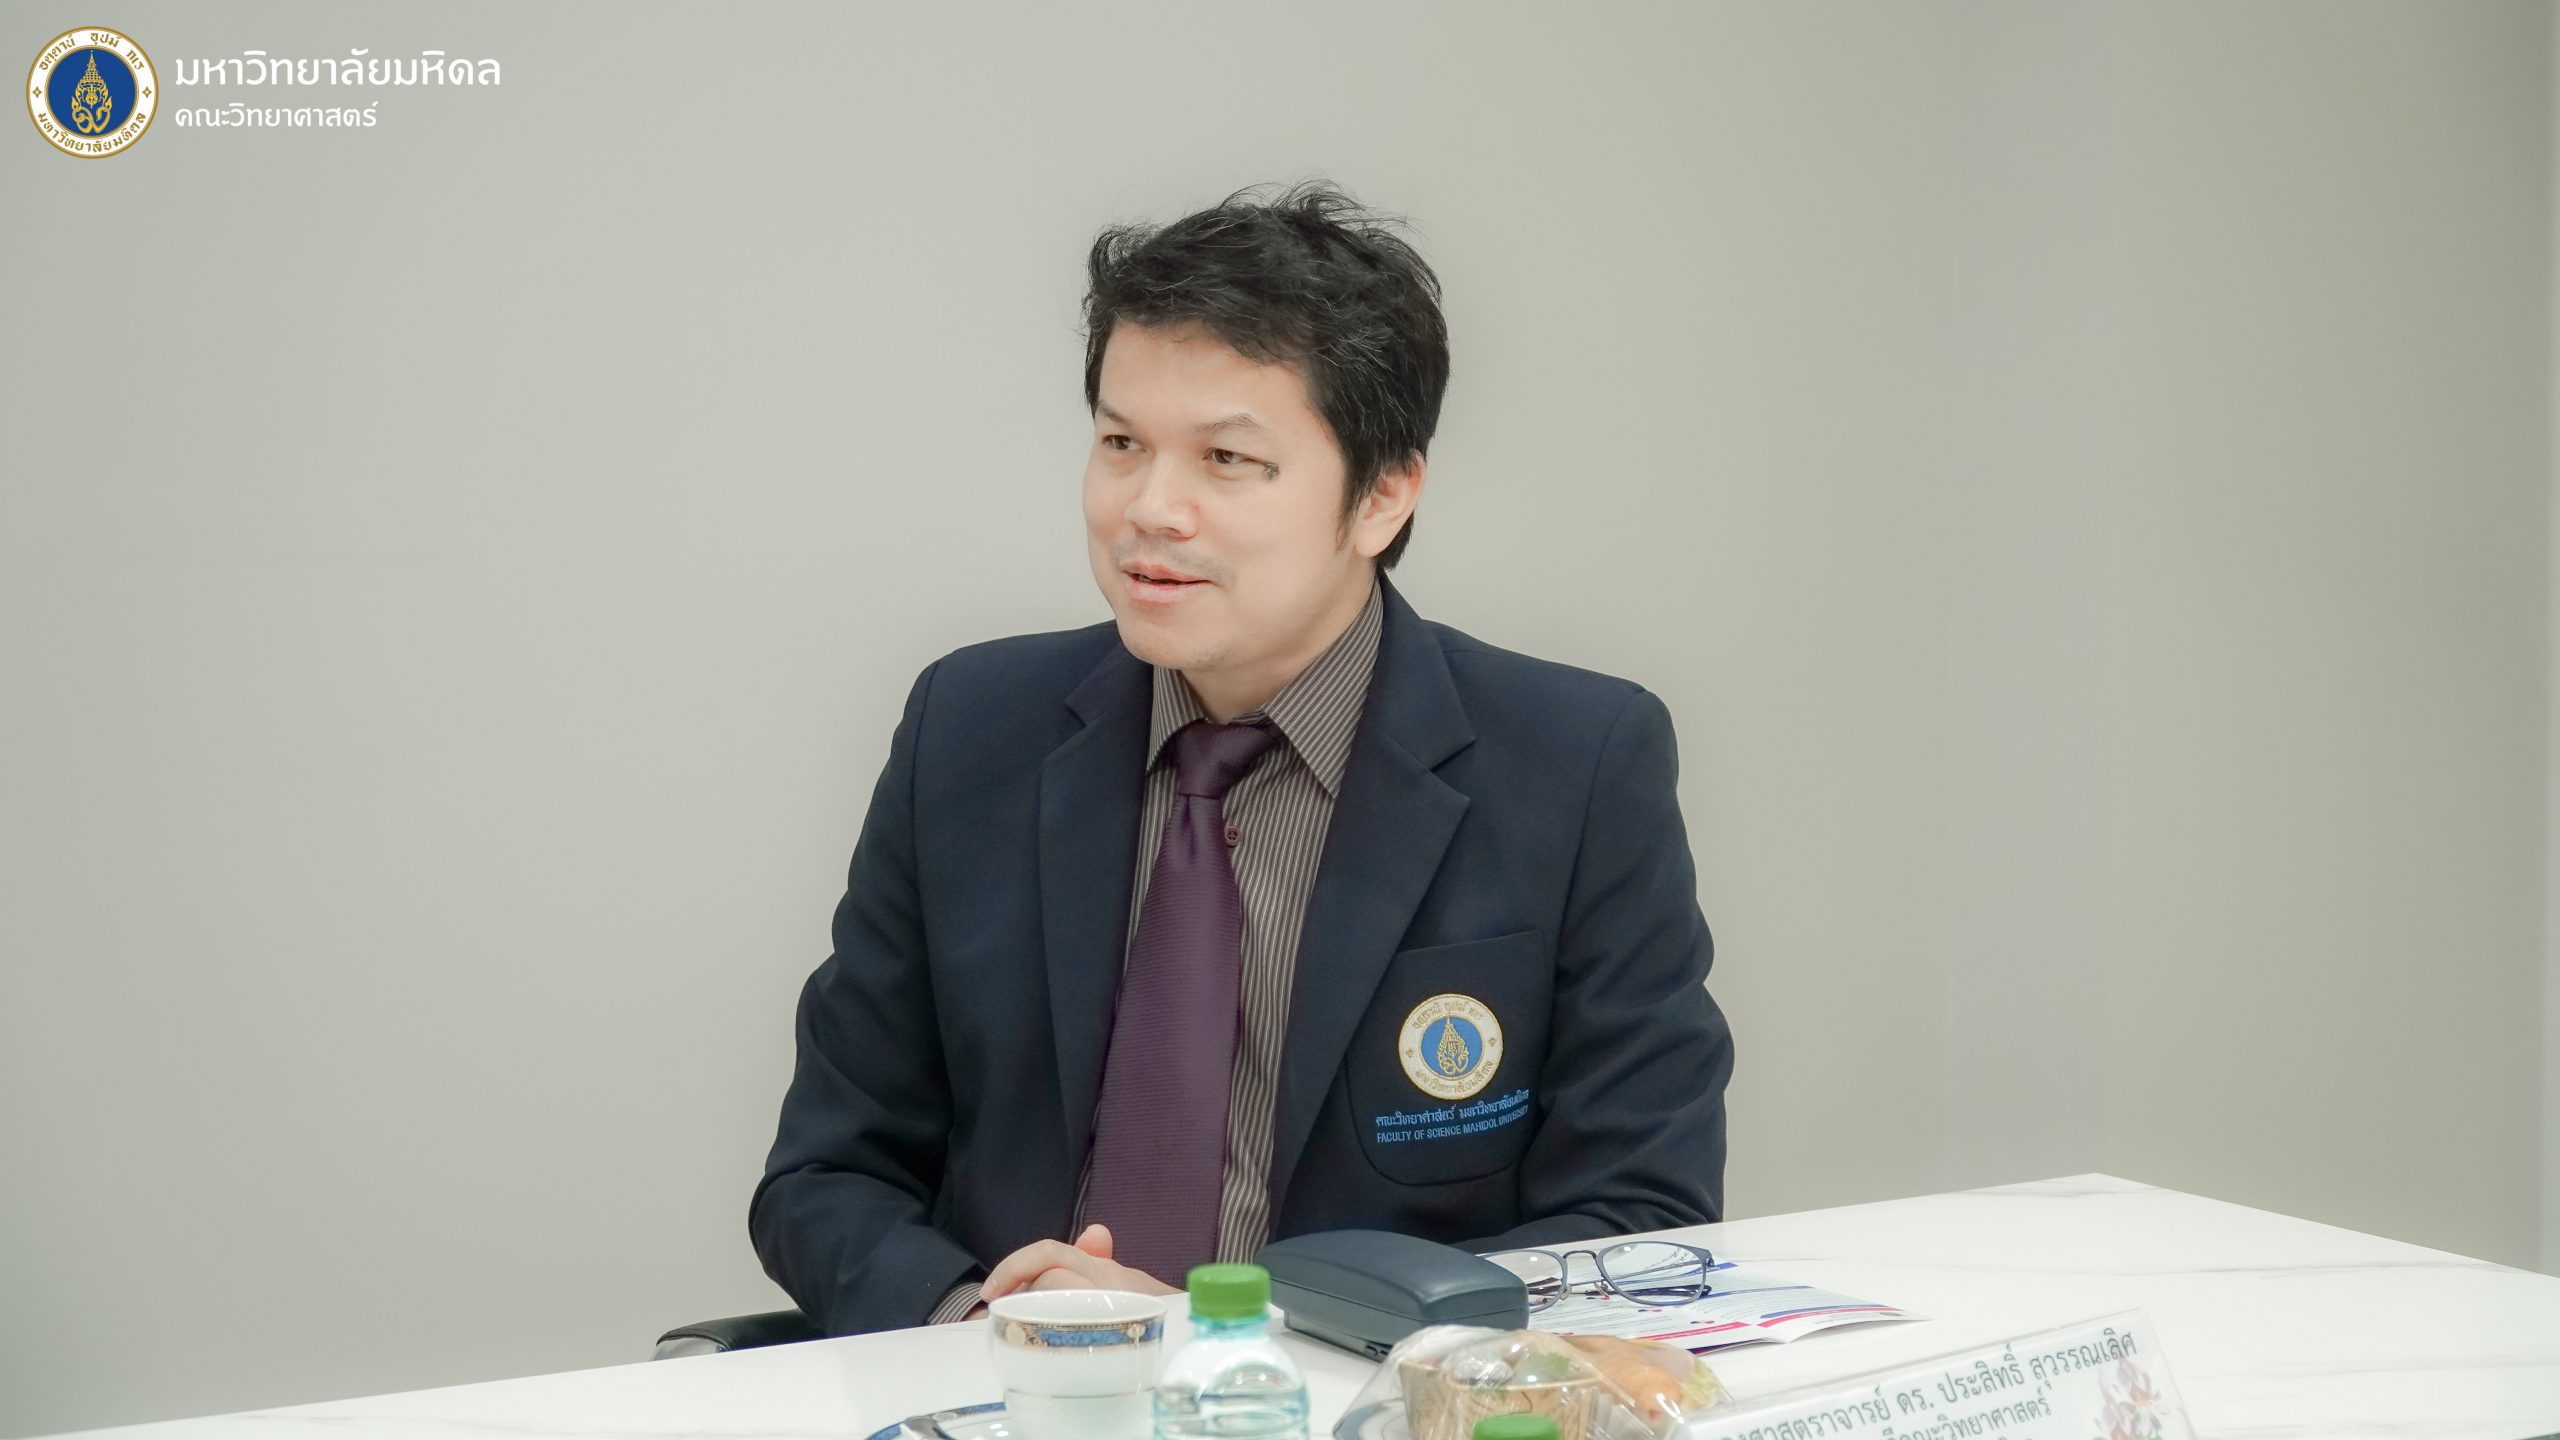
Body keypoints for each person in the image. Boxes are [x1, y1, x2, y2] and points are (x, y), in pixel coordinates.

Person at [751, 181, 1734, 1332]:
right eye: (1121, 443)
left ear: (1382, 495)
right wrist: (991, 1323)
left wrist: (1221, 1337)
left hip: (1366, 1397)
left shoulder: (1573, 766)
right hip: (1013, 1390)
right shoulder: (969, 729)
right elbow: (826, 1174)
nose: (1150, 509)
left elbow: (1635, 1223)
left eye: (1225, 458)